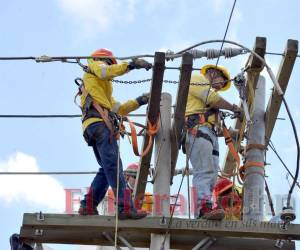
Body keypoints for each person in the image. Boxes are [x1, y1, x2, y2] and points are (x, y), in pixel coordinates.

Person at [78, 48, 152, 220]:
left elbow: (118, 109)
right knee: (114, 167)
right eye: (110, 64)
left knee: (107, 168)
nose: (111, 70)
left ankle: (88, 205)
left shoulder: (100, 91)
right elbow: (105, 72)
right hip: (99, 124)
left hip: (94, 125)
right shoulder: (96, 66)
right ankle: (125, 207)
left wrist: (140, 100)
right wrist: (131, 65)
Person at [185, 64, 241, 220]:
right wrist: (233, 108)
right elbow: (212, 98)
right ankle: (203, 208)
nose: (221, 86)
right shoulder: (196, 79)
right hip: (198, 130)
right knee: (204, 171)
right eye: (222, 81)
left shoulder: (209, 96)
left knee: (211, 173)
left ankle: (206, 206)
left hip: (209, 133)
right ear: (212, 72)